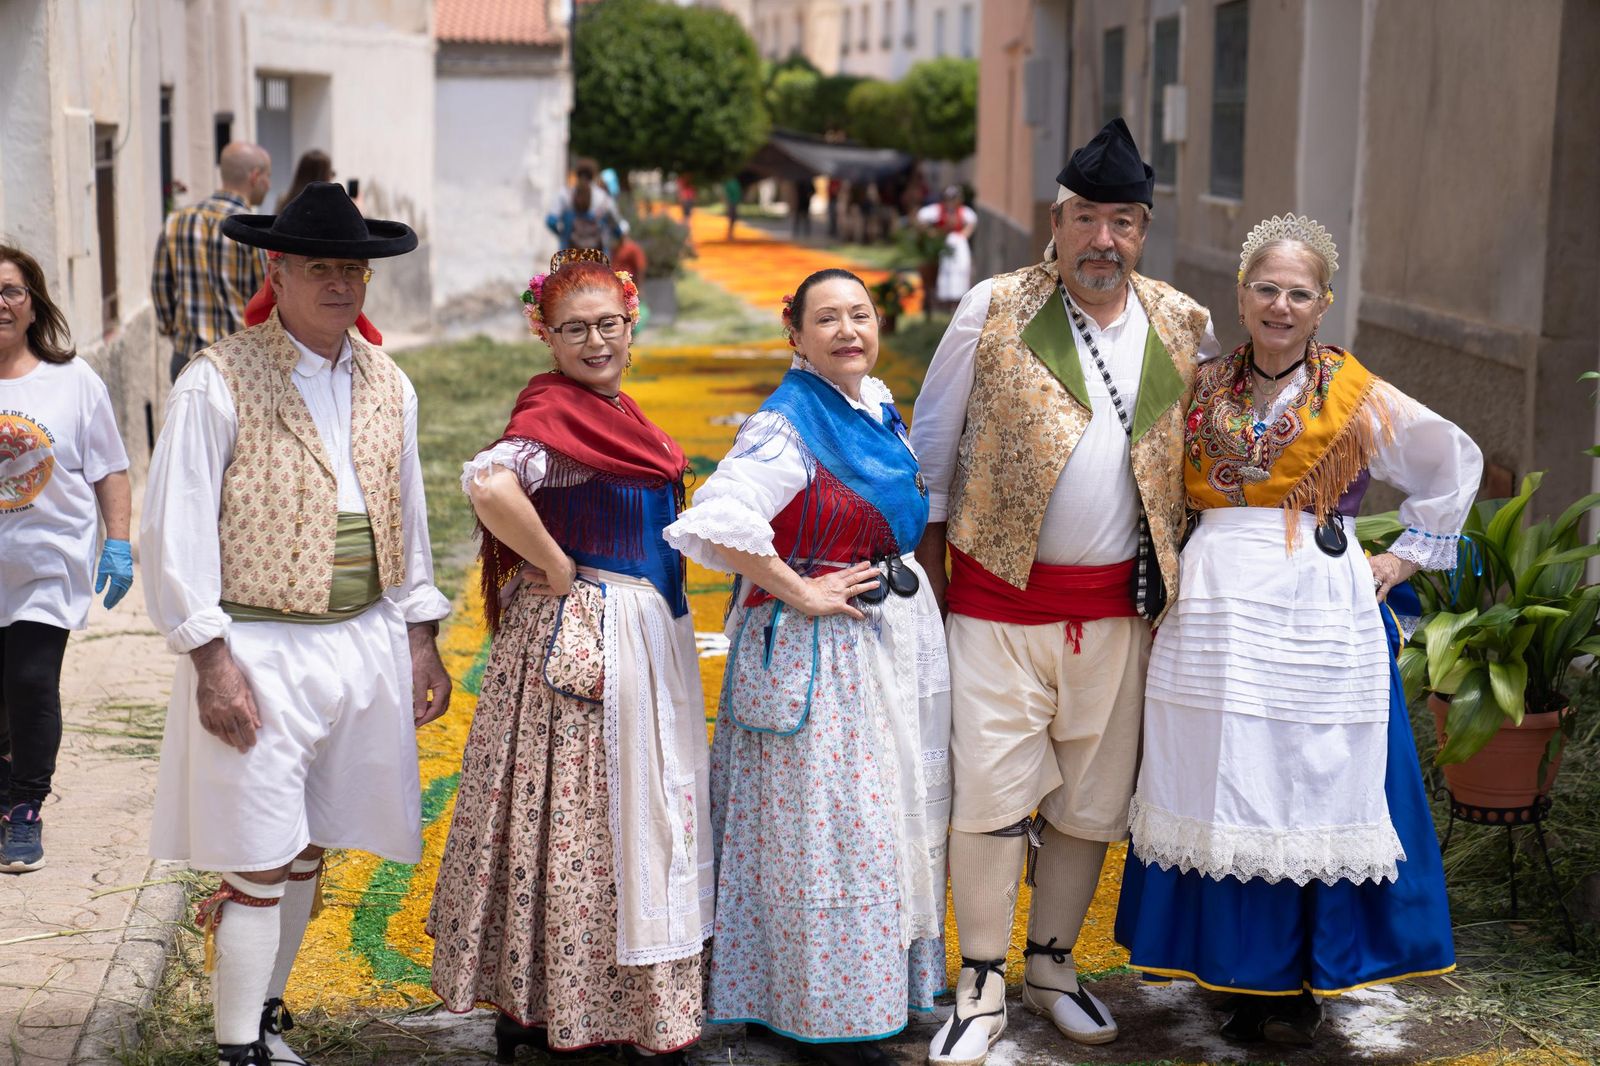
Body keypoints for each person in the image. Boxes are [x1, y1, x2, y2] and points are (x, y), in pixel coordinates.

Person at [1115, 214, 1478, 1045]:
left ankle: (1300, 980)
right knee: (1218, 773)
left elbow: (1448, 458)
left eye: (1299, 293)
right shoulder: (1197, 384)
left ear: (1322, 307)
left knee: (1308, 774)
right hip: (1214, 606)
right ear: (1241, 297)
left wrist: (1405, 559)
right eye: (1267, 288)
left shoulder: (1355, 393)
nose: (1281, 305)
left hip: (1315, 606)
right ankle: (1234, 973)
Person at [910, 117, 1220, 1063]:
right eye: (1087, 218)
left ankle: (1052, 967)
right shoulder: (996, 307)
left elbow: (1203, 464)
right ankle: (983, 980)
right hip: (999, 603)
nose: (1104, 241)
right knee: (990, 796)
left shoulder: (1184, 321)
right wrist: (928, 569)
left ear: (1144, 230)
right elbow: (932, 445)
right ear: (1057, 220)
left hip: (1123, 613)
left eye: (1124, 222)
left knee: (1091, 802)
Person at [142, 182, 453, 1066]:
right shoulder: (217, 379)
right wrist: (210, 659)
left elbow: (409, 518)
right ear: (275, 269)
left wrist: (420, 637)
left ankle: (268, 1014)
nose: (341, 283)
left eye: (353, 269)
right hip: (258, 644)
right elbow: (177, 527)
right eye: (319, 266)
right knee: (258, 855)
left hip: (360, 638)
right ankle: (236, 1047)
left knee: (313, 840)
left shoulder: (389, 382)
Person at [427, 248, 711, 1064]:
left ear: (632, 323)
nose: (595, 343)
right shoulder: (553, 411)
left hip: (631, 636)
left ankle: (565, 1004)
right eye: (575, 330)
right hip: (586, 644)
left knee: (600, 828)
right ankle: (566, 1013)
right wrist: (553, 565)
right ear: (544, 335)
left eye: (608, 326)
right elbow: (489, 482)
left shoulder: (618, 411)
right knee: (584, 825)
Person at [665, 268, 951, 1066]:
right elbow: (716, 522)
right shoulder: (787, 425)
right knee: (829, 831)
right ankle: (819, 1008)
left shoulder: (875, 402)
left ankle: (851, 991)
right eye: (827, 319)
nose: (849, 330)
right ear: (794, 334)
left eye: (860, 314)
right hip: (820, 649)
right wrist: (802, 590)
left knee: (879, 819)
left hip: (880, 634)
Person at [0, 244, 132, 873]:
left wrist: (119, 541)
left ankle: (25, 809)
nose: (0, 303)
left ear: (32, 305)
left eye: (10, 291)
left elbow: (109, 467)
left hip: (45, 568)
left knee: (29, 682)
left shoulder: (73, 379)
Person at [151, 141, 272, 383]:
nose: (268, 185)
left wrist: (173, 330)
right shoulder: (250, 230)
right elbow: (266, 297)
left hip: (188, 359)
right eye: (267, 177)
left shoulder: (176, 221)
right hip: (239, 361)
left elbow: (161, 289)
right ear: (255, 176)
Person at [915, 186, 978, 312]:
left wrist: (965, 233)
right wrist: (932, 233)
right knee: (946, 269)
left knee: (961, 268)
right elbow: (921, 218)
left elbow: (972, 222)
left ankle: (959, 298)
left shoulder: (963, 212)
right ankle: (946, 300)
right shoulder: (938, 210)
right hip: (946, 242)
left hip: (959, 243)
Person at [546, 159, 624, 254]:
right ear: (594, 175)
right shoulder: (605, 199)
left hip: (569, 256)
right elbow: (616, 227)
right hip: (598, 258)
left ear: (577, 174)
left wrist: (562, 235)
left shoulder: (564, 195)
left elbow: (551, 221)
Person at [723, 176, 743, 241]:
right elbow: (726, 194)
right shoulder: (729, 183)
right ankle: (729, 234)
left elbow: (738, 192)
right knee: (731, 218)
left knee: (733, 218)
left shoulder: (735, 182)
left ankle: (731, 233)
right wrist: (727, 203)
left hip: (735, 203)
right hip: (731, 203)